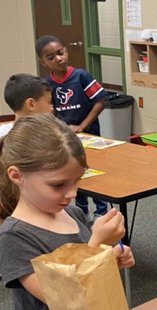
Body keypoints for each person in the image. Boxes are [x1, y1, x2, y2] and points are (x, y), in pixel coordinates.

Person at [0, 115, 135, 310]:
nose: (72, 193)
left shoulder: (71, 214)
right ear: (17, 176)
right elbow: (65, 297)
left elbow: (89, 274)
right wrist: (98, 242)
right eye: (59, 185)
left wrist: (111, 256)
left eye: (76, 181)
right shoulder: (15, 237)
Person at [35, 34, 106, 217]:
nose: (58, 58)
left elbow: (99, 102)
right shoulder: (46, 84)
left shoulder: (80, 76)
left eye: (60, 53)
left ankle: (101, 211)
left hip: (90, 134)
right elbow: (50, 110)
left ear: (65, 52)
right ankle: (81, 213)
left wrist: (82, 126)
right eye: (51, 57)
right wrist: (60, 128)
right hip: (66, 139)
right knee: (75, 174)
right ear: (43, 63)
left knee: (96, 173)